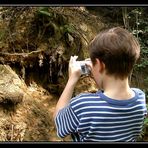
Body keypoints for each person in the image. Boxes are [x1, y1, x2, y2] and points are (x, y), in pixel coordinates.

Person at [53, 27, 147, 142]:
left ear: (100, 65)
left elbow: (59, 124)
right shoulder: (140, 98)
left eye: (93, 64)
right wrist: (99, 74)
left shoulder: (83, 105)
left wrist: (71, 80)